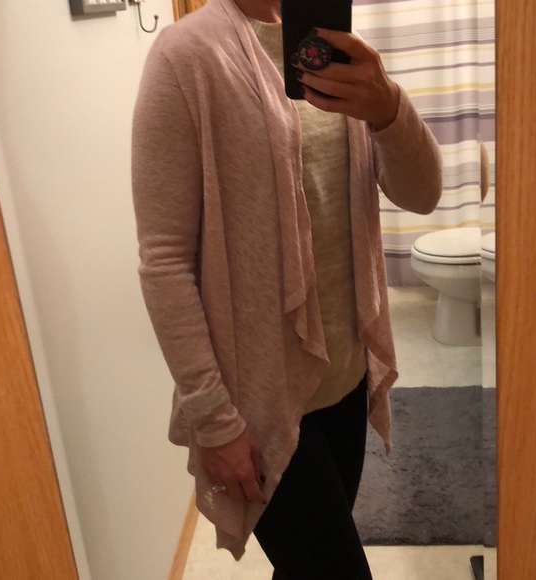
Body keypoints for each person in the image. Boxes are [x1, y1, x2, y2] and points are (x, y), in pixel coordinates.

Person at [131, 0, 442, 577]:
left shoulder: (332, 44)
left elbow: (423, 194)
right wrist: (214, 421)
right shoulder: (185, 56)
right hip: (257, 404)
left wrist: (387, 108)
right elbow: (164, 263)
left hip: (345, 377)